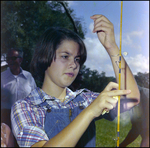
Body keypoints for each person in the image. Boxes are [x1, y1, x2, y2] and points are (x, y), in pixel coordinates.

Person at [11, 15, 140, 147]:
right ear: (45, 56)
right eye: (65, 56)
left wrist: (111, 46)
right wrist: (89, 112)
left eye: (77, 59)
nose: (73, 64)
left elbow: (132, 97)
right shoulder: (26, 107)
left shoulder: (84, 98)